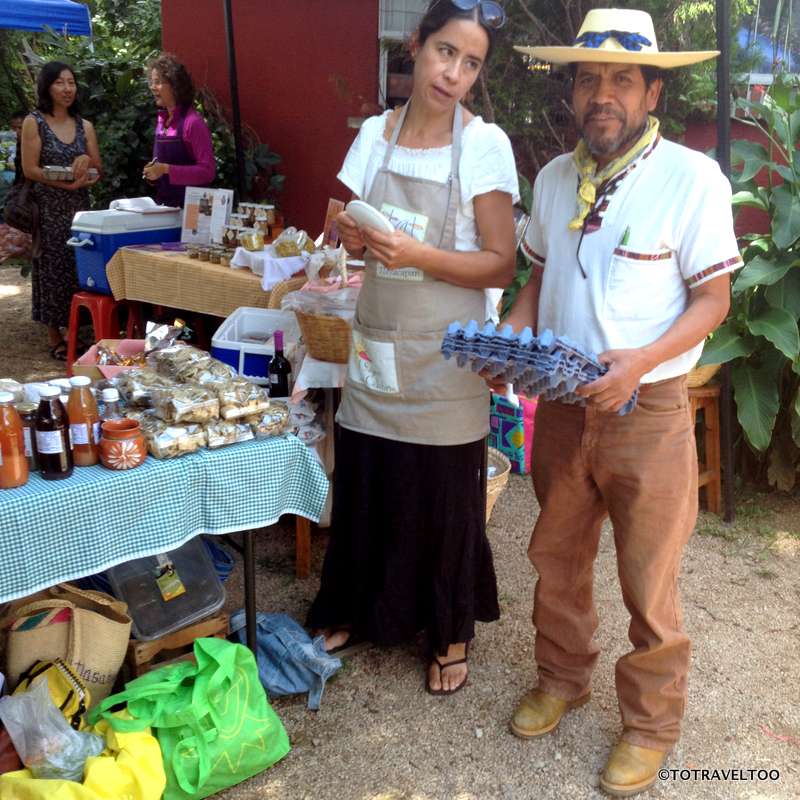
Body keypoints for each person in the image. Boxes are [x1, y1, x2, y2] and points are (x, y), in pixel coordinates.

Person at [498, 8, 742, 796]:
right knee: (555, 559)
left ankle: (649, 726)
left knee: (649, 579)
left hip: (653, 412)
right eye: (589, 78)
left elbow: (714, 301)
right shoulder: (555, 177)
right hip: (564, 409)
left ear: (652, 92)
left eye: (622, 79)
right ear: (573, 92)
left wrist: (640, 361)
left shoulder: (693, 177)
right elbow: (538, 278)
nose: (603, 94)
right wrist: (509, 335)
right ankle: (562, 678)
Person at [307, 0, 518, 695]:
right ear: (417, 47)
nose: (454, 73)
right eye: (444, 52)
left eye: (471, 62)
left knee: (443, 492)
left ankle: (449, 629)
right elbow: (340, 224)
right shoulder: (376, 133)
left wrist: (417, 253)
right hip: (379, 337)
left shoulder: (483, 144)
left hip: (446, 347)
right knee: (371, 473)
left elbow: (498, 264)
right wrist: (355, 237)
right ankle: (357, 606)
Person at [21, 62, 102, 360]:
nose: (67, 89)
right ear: (47, 87)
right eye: (60, 83)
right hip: (49, 207)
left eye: (71, 82)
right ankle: (55, 336)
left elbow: (98, 169)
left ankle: (78, 330)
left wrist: (86, 163)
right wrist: (62, 184)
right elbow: (30, 169)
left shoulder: (85, 126)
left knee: (78, 266)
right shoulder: (35, 121)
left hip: (80, 208)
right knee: (52, 267)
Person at [143, 53, 215, 207]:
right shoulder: (162, 122)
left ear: (175, 86)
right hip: (165, 209)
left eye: (158, 82)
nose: (152, 87)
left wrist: (165, 169)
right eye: (151, 82)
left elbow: (207, 172)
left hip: (193, 214)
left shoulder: (193, 123)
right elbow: (162, 171)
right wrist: (153, 174)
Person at [10, 110, 26, 184]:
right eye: (14, 128)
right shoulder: (19, 144)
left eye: (20, 128)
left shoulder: (35, 145)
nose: (16, 132)